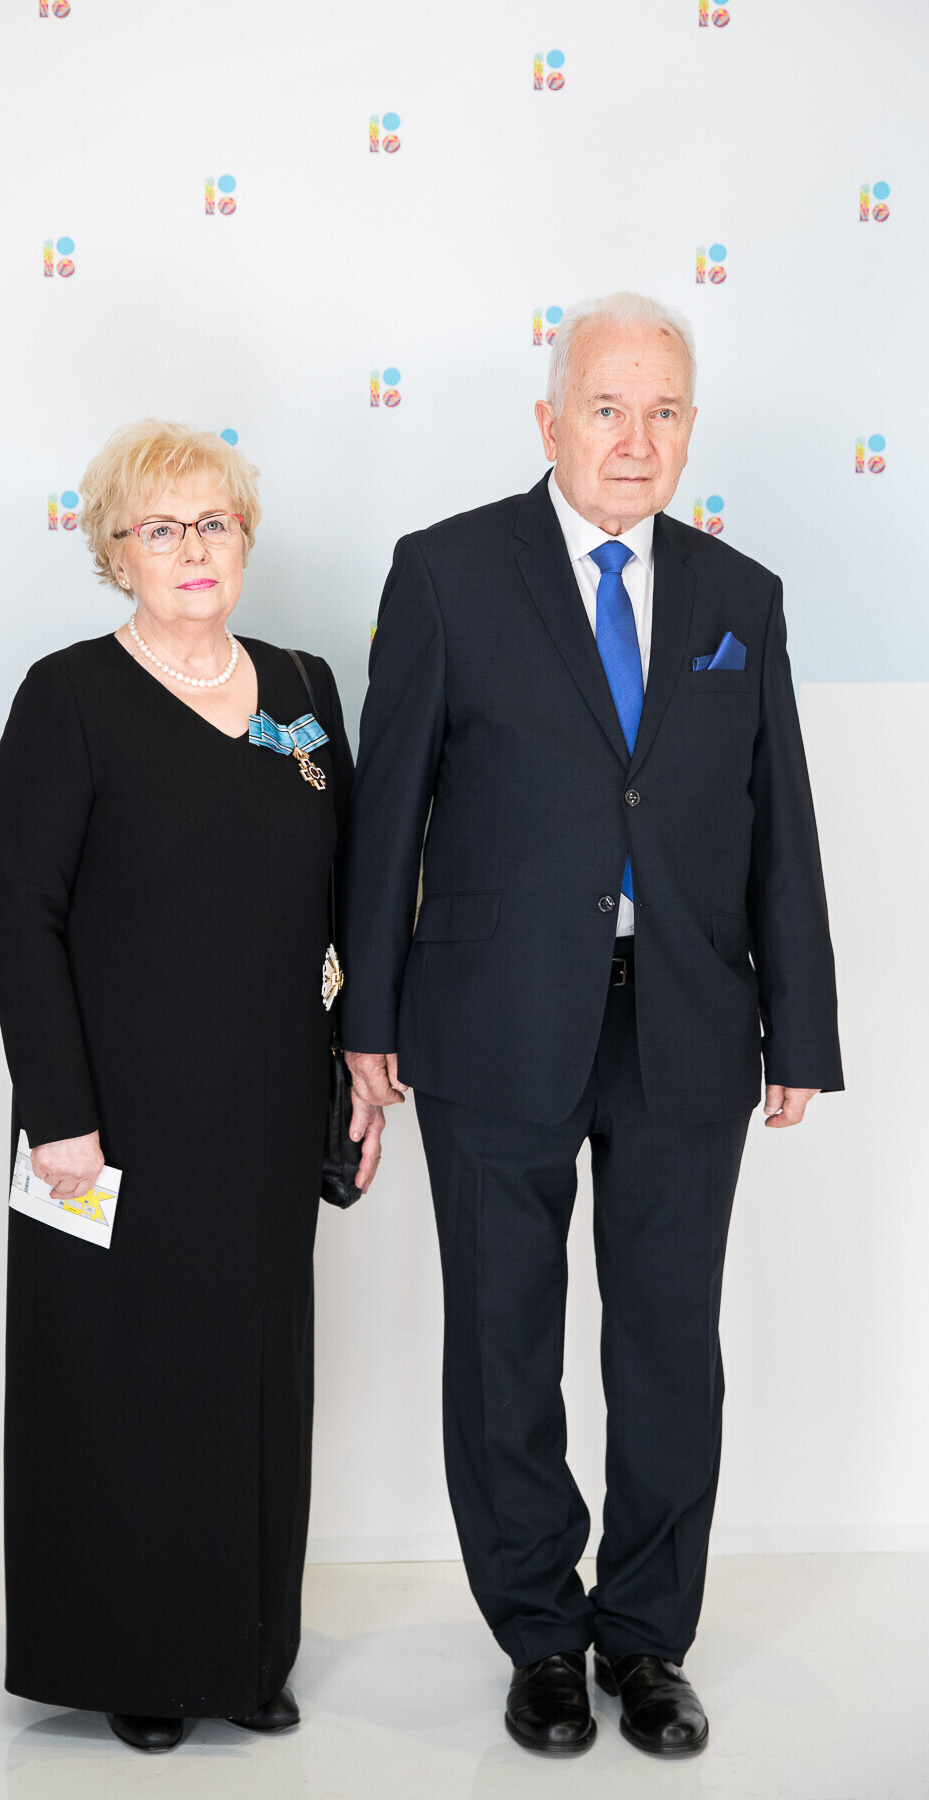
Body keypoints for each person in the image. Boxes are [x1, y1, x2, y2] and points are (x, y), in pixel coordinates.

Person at [341, 293, 842, 1759]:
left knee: (669, 1343)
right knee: (504, 1339)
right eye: (609, 408)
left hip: (688, 1018)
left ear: (690, 431)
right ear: (550, 419)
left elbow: (781, 821)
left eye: (664, 412)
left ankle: (645, 1639)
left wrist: (801, 1027)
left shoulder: (740, 596)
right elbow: (388, 812)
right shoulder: (445, 572)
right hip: (489, 1016)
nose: (636, 438)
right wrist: (368, 1013)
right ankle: (540, 1640)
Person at [0, 420, 382, 1753]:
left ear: (245, 539)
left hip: (267, 1106)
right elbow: (17, 906)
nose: (192, 549)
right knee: (125, 1383)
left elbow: (353, 892)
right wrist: (59, 1116)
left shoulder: (303, 688)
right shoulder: (69, 697)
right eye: (161, 528)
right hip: (111, 1120)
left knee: (254, 1381)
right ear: (117, 551)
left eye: (214, 523)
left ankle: (247, 1653)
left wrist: (362, 1064)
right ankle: (138, 1660)